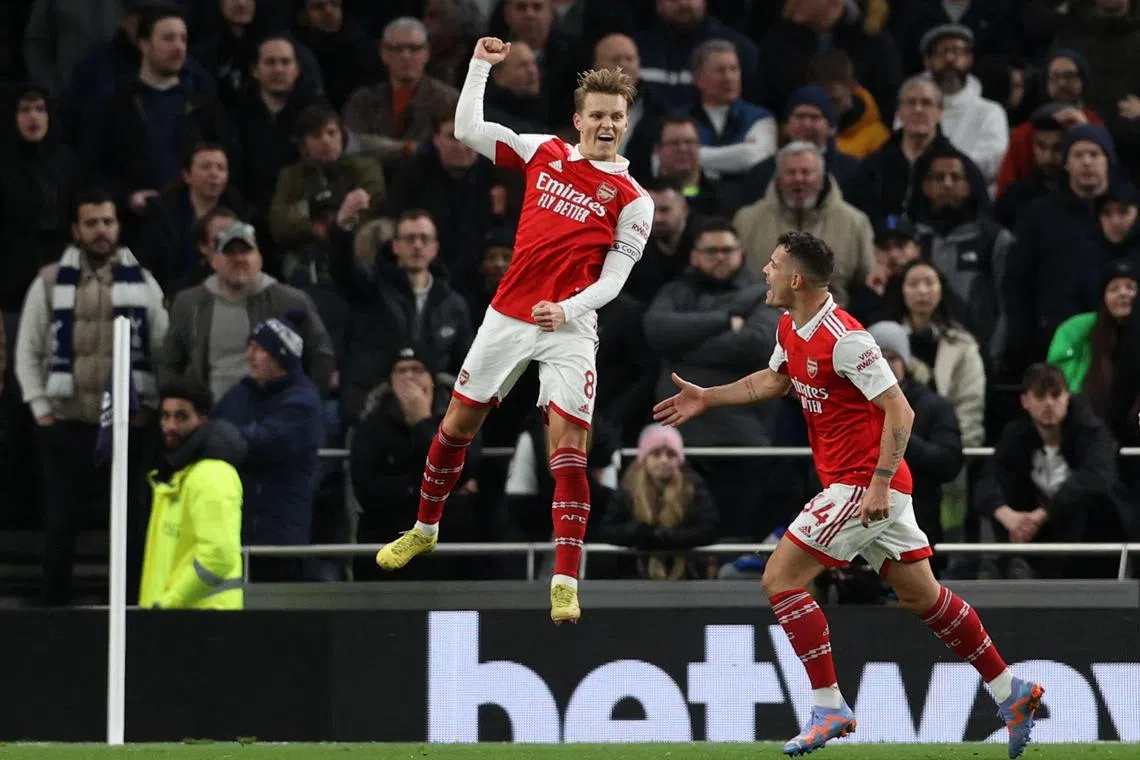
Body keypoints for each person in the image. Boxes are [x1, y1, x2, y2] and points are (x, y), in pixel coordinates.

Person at [652, 230, 1043, 758]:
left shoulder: (847, 339)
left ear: (796, 278)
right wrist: (708, 398)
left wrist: (879, 481)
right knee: (921, 597)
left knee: (780, 578)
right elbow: (773, 382)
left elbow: (900, 411)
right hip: (865, 486)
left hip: (863, 484)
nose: (763, 273)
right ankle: (1010, 691)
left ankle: (829, 705)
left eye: (771, 265)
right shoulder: (791, 326)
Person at [352, 36, 653, 625]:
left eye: (617, 116)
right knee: (456, 426)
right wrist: (478, 68)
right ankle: (423, 528)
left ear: (624, 123)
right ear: (579, 120)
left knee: (569, 452)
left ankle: (566, 578)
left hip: (569, 326)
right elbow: (467, 130)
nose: (608, 124)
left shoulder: (632, 200)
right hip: (508, 315)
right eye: (598, 115)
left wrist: (566, 311)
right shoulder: (544, 151)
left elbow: (613, 281)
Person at [139, 380, 245, 610]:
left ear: (203, 420)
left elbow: (218, 557)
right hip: (182, 620)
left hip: (201, 623)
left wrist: (168, 603)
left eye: (181, 417)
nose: (170, 426)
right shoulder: (178, 474)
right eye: (165, 416)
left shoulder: (212, 474)